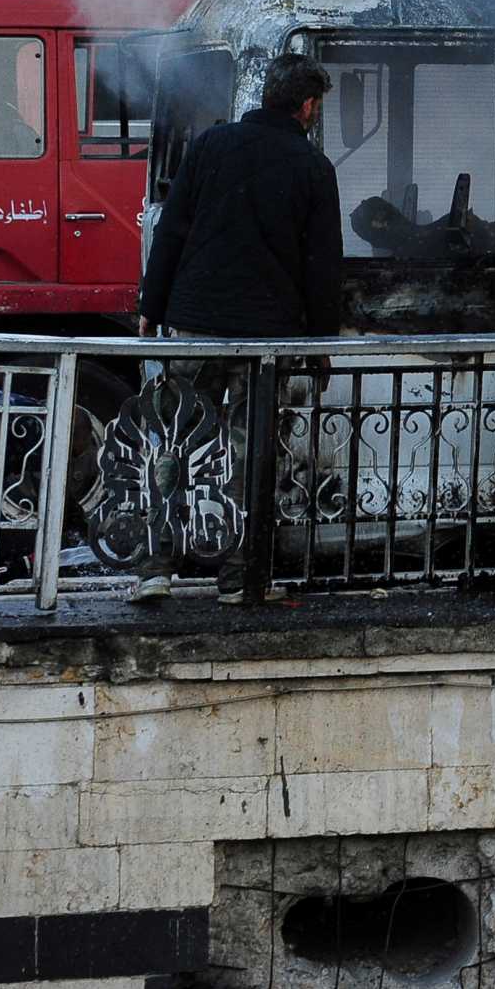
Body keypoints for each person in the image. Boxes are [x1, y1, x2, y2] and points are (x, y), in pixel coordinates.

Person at [135, 53, 343, 603]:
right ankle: (238, 577)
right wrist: (322, 344)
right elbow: (322, 267)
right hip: (265, 340)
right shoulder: (313, 169)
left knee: (176, 442)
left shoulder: (209, 146)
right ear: (308, 106)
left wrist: (150, 307)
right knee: (249, 456)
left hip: (194, 322)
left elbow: (172, 232)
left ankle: (156, 567)